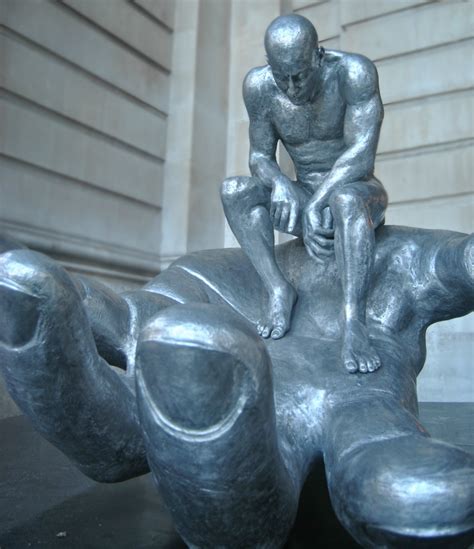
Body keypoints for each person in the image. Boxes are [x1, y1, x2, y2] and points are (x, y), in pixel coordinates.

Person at [221, 13, 388, 374]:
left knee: (345, 201)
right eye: (283, 76)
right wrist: (280, 182)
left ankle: (353, 322)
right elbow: (260, 156)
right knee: (234, 191)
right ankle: (279, 289)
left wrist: (319, 200)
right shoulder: (260, 87)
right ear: (270, 66)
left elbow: (361, 151)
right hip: (301, 192)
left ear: (319, 55)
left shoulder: (353, 74)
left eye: (300, 75)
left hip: (354, 189)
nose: (293, 87)